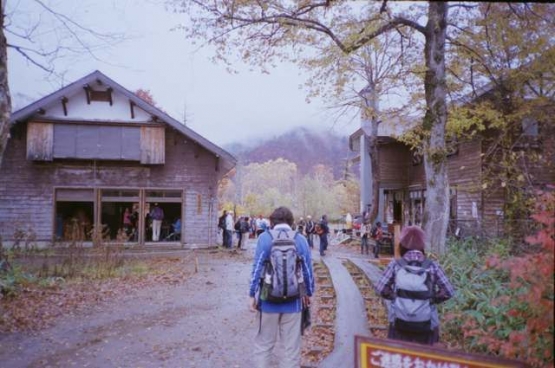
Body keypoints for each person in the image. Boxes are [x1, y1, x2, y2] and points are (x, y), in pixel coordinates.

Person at [248, 206, 314, 367]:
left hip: (267, 301)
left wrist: (251, 295)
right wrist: (309, 293)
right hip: (294, 302)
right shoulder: (300, 239)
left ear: (271, 222)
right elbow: (307, 270)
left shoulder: (265, 238)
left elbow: (257, 269)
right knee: (291, 349)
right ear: (291, 222)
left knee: (264, 346)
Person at [374, 226, 455, 345]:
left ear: (402, 244)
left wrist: (397, 297)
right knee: (425, 359)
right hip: (427, 327)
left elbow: (380, 289)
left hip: (399, 324)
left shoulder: (396, 265)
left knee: (399, 359)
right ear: (422, 245)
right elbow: (449, 291)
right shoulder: (432, 266)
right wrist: (431, 299)